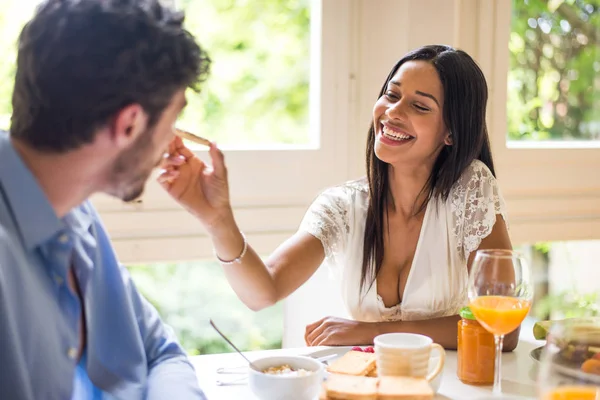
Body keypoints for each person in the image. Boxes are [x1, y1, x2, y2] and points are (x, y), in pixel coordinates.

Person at [159, 44, 519, 350]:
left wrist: (374, 332)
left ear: (451, 134)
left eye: (419, 106)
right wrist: (216, 218)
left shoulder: (472, 188)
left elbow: (506, 329)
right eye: (392, 95)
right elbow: (262, 292)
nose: (392, 112)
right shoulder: (343, 206)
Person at [0, 0, 211, 398]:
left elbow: (159, 353)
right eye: (172, 120)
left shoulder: (76, 212)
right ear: (129, 124)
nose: (173, 142)